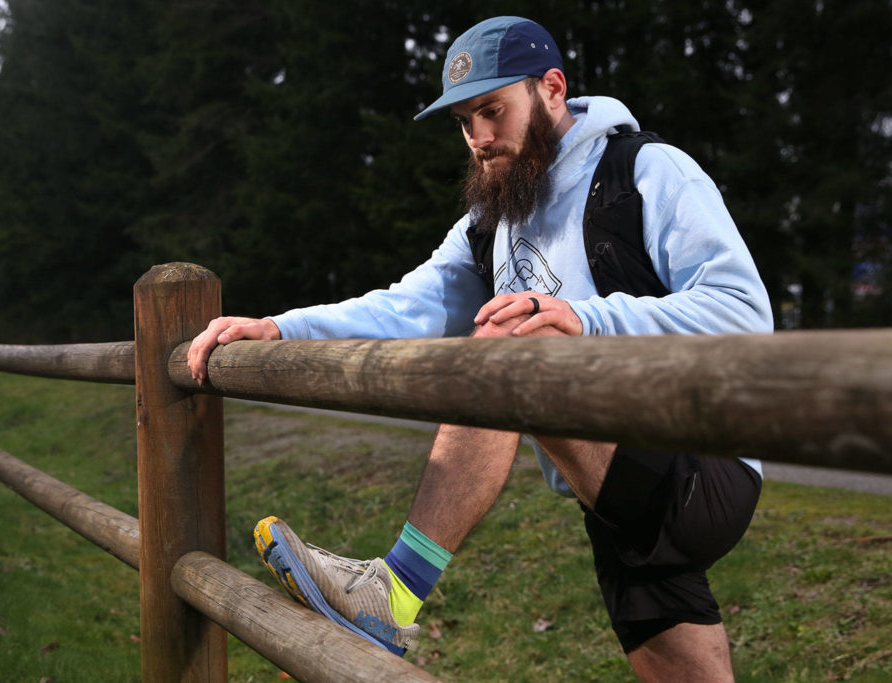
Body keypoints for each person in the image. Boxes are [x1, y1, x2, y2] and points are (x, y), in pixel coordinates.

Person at [187, 16, 772, 680]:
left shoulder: (646, 170)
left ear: (552, 89)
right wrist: (281, 328)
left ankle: (394, 590)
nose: (480, 139)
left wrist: (582, 320)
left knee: (506, 342)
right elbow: (407, 304)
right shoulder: (492, 221)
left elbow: (743, 310)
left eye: (494, 111)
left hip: (700, 465)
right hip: (612, 496)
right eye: (465, 122)